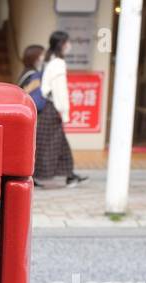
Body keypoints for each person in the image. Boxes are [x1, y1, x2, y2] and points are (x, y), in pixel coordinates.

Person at [33, 32, 87, 188]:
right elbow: (60, 90)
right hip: (53, 108)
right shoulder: (58, 63)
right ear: (62, 44)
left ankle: (69, 175)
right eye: (67, 42)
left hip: (47, 108)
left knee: (54, 144)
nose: (69, 45)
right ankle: (38, 175)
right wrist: (64, 111)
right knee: (51, 144)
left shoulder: (48, 60)